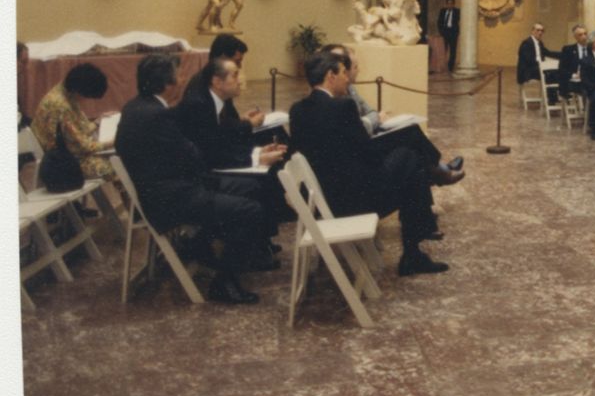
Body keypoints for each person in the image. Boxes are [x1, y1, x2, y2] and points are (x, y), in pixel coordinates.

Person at [115, 54, 271, 305]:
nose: (183, 80)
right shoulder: (156, 115)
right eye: (178, 75)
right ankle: (225, 282)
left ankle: (207, 247)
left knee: (250, 186)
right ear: (167, 84)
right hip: (171, 198)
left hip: (167, 186)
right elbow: (191, 155)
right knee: (249, 209)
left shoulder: (137, 107)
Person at [289, 51, 457, 276]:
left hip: (323, 198)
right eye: (344, 73)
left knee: (410, 161)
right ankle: (413, 251)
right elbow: (369, 154)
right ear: (331, 75)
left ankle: (417, 245)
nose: (348, 78)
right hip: (351, 201)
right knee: (410, 160)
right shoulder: (343, 108)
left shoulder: (298, 111)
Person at [176, 56, 291, 243]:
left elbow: (221, 137)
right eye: (235, 75)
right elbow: (212, 153)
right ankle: (255, 247)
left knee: (267, 167)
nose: (241, 80)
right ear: (217, 81)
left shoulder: (211, 99)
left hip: (209, 163)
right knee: (260, 179)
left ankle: (261, 244)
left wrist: (258, 153)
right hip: (199, 174)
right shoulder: (199, 104)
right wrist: (257, 159)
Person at [322, 43, 464, 188]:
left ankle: (436, 174)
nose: (350, 70)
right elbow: (361, 126)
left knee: (410, 135)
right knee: (411, 137)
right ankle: (440, 171)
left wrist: (372, 119)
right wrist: (374, 119)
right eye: (348, 65)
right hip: (362, 151)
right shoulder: (333, 98)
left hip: (368, 137)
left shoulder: (349, 88)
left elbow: (370, 111)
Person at [31, 62, 116, 182]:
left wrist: (97, 122)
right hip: (61, 162)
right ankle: (128, 200)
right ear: (79, 91)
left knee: (116, 161)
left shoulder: (64, 91)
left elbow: (76, 131)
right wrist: (111, 143)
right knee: (114, 166)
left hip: (63, 154)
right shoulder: (61, 105)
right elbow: (83, 146)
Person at [558, 24, 590, 103]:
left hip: (589, 80)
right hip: (573, 81)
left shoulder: (591, 49)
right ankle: (586, 111)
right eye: (580, 35)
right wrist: (574, 75)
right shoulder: (568, 50)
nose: (584, 37)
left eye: (585, 34)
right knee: (586, 88)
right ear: (575, 37)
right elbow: (562, 69)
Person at [437, 0, 461, 72]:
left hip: (453, 32)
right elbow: (439, 21)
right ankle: (442, 66)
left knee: (452, 51)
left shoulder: (457, 11)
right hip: (445, 32)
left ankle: (451, 67)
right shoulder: (443, 11)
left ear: (453, 4)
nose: (449, 5)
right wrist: (441, 31)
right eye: (448, 4)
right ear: (446, 4)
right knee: (443, 50)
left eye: (451, 4)